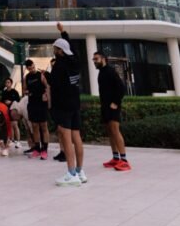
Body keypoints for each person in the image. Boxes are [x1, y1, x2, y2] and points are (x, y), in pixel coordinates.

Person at [50, 24, 86, 187]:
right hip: (75, 104)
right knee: (76, 137)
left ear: (60, 51)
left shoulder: (59, 66)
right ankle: (79, 171)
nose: (54, 51)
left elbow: (55, 85)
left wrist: (46, 76)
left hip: (63, 105)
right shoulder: (75, 61)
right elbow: (68, 44)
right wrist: (63, 32)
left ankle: (71, 173)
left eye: (55, 49)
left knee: (66, 138)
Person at [93, 51, 131, 171]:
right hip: (105, 107)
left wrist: (115, 102)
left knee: (115, 130)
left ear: (103, 59)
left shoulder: (110, 71)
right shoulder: (101, 73)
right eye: (93, 59)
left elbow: (121, 88)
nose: (94, 61)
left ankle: (124, 160)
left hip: (113, 107)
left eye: (96, 59)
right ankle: (115, 158)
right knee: (110, 132)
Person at [24, 60, 50, 160]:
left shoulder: (41, 75)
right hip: (32, 103)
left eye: (32, 67)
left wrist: (46, 95)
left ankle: (45, 149)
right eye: (29, 68)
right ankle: (37, 148)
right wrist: (27, 92)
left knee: (43, 125)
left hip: (41, 103)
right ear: (27, 68)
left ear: (34, 65)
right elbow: (24, 90)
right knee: (34, 126)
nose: (32, 69)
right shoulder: (27, 77)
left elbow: (47, 86)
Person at [1, 75, 21, 147]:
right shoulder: (4, 92)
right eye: (6, 82)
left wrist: (11, 102)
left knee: (15, 125)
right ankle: (12, 140)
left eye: (8, 82)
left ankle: (18, 141)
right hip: (6, 110)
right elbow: (1, 101)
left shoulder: (15, 92)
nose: (7, 83)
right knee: (10, 126)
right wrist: (5, 102)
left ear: (11, 83)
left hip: (13, 110)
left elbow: (18, 100)